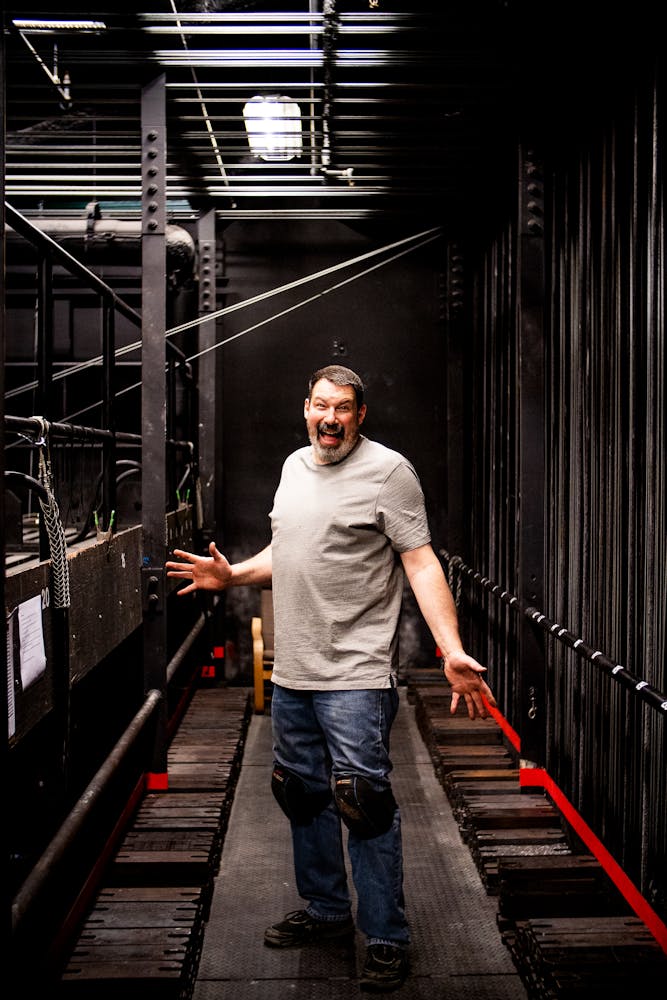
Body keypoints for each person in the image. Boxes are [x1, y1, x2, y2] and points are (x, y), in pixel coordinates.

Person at [166, 364, 496, 993]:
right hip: (293, 671)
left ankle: (385, 937)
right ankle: (325, 911)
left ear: (360, 414)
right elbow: (287, 550)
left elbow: (421, 564)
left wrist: (449, 648)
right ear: (306, 407)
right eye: (321, 406)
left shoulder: (390, 473)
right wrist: (232, 575)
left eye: (343, 409)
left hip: (355, 674)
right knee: (303, 795)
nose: (330, 419)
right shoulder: (294, 467)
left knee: (364, 805)